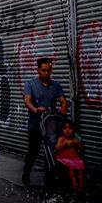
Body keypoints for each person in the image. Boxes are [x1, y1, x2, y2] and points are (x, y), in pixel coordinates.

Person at [22, 57, 68, 186]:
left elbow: (63, 101)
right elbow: (27, 100)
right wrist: (35, 109)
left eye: (49, 71)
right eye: (43, 70)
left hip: (51, 125)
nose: (46, 73)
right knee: (33, 151)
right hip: (35, 124)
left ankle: (49, 179)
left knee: (52, 152)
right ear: (38, 70)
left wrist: (63, 108)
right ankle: (26, 174)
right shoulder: (30, 84)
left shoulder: (56, 85)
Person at [55, 120, 84, 191]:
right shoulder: (61, 138)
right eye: (65, 128)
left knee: (80, 165)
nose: (67, 130)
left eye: (70, 128)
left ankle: (81, 183)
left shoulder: (75, 138)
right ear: (62, 130)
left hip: (74, 157)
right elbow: (57, 148)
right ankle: (74, 182)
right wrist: (65, 143)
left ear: (74, 130)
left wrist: (78, 141)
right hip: (64, 157)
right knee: (71, 167)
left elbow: (81, 148)